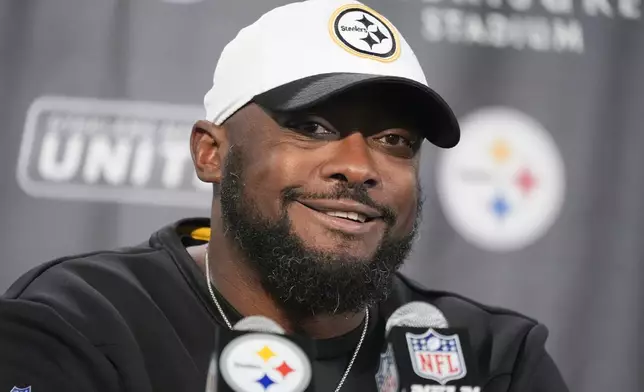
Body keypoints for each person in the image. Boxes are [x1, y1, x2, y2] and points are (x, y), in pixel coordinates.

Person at [0, 0, 569, 391]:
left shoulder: (492, 358)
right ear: (211, 152)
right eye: (314, 128)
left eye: (394, 140)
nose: (358, 167)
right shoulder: (81, 322)